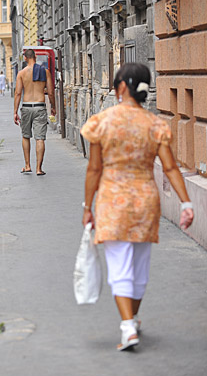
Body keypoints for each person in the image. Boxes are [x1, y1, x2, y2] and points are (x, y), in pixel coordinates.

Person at [80, 62, 195, 351]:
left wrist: (87, 206)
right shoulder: (155, 124)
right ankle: (133, 318)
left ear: (121, 87)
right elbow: (170, 168)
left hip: (112, 202)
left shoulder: (101, 122)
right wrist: (186, 202)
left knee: (119, 267)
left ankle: (128, 326)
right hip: (146, 202)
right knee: (140, 268)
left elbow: (94, 170)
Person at [13, 49, 56, 175]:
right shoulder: (45, 71)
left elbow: (18, 93)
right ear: (35, 57)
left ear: (25, 58)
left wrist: (15, 111)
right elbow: (51, 92)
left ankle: (27, 166)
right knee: (40, 138)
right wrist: (53, 106)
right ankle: (38, 169)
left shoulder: (21, 73)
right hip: (40, 106)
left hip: (26, 107)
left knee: (26, 136)